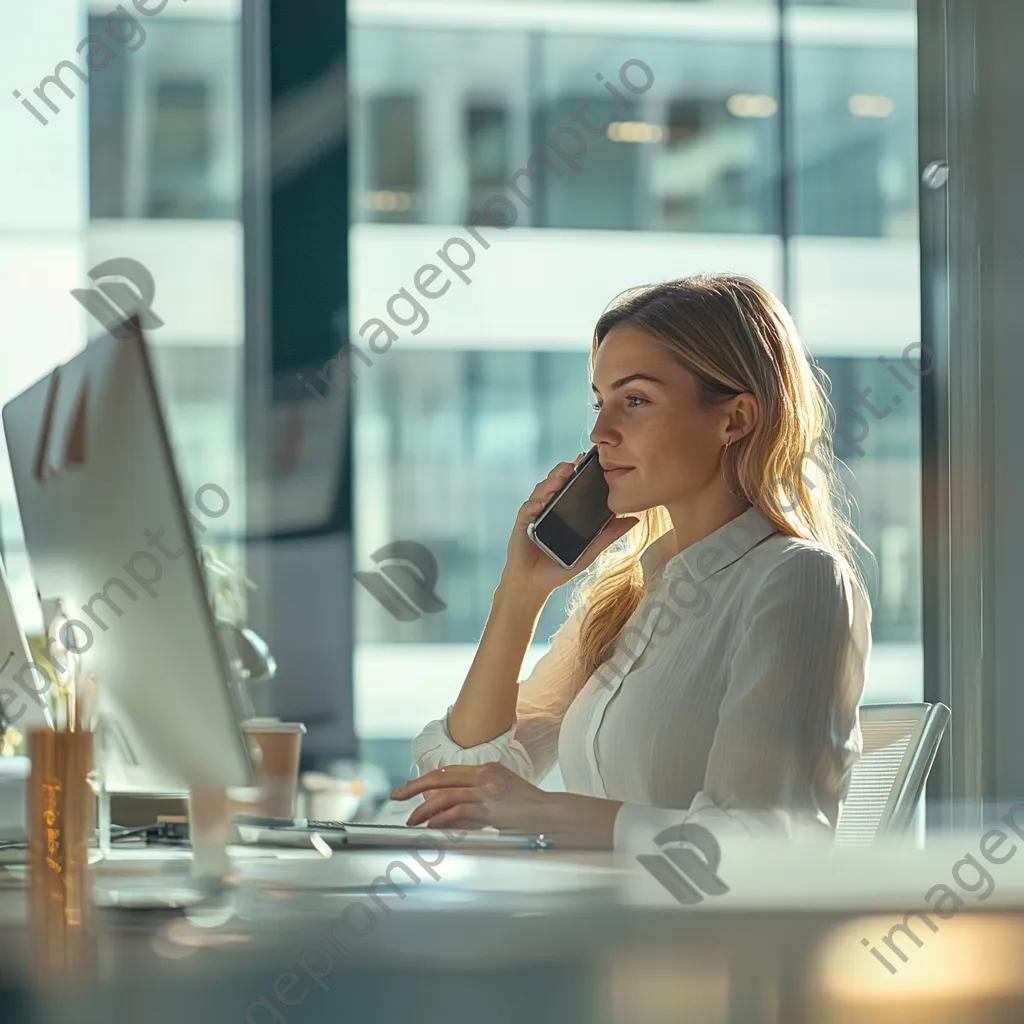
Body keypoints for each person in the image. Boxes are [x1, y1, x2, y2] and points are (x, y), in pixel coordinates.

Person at [390, 273, 872, 850]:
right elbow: (459, 776)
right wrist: (520, 593)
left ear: (735, 419)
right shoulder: (626, 599)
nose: (599, 432)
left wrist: (545, 812)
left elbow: (767, 841)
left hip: (686, 940)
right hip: (589, 927)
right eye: (600, 403)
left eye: (635, 400)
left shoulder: (797, 580)